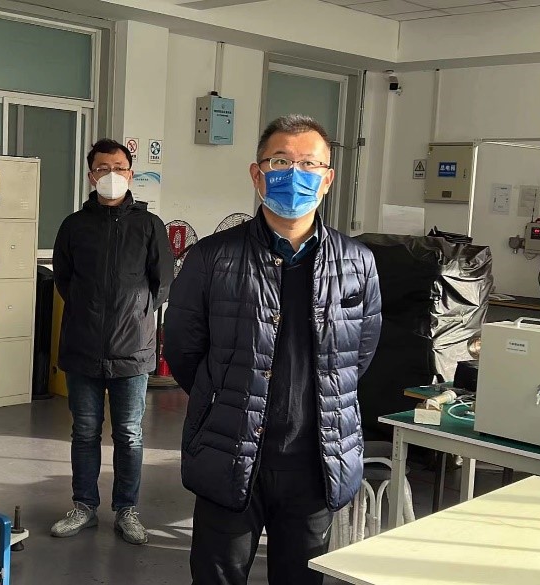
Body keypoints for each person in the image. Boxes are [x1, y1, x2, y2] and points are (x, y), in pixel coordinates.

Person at [164, 115, 383, 584]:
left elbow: (358, 355)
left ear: (328, 179)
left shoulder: (358, 263)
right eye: (281, 161)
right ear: (257, 173)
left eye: (309, 164)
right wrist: (224, 399)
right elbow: (183, 350)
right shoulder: (212, 258)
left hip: (317, 460)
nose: (295, 174)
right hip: (230, 450)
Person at [49, 139, 174, 545]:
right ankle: (84, 506)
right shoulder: (74, 226)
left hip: (132, 349)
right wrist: (89, 311)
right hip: (82, 347)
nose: (111, 175)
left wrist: (135, 313)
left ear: (131, 174)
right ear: (91, 176)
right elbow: (64, 279)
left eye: (119, 168)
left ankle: (127, 509)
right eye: (103, 168)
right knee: (84, 432)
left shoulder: (149, 225)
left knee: (129, 433)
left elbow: (163, 281)